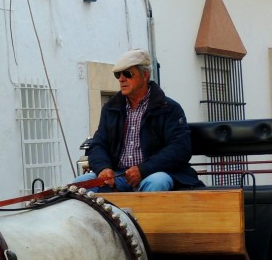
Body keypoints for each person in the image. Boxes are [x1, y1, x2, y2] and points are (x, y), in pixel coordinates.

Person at [82, 49, 201, 192]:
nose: (121, 79)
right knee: (81, 184)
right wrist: (103, 168)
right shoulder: (110, 109)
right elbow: (98, 144)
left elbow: (180, 148)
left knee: (157, 181)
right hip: (119, 175)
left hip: (155, 173)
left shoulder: (169, 108)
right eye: (118, 74)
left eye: (127, 74)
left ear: (145, 75)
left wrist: (144, 169)